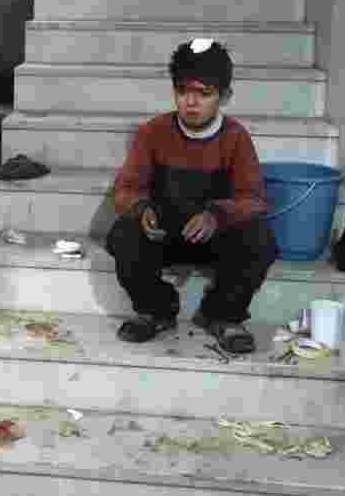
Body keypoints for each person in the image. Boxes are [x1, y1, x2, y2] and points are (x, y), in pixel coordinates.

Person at [107, 38, 279, 353]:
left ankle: (223, 316)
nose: (191, 102)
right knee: (122, 235)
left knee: (260, 239)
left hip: (216, 238)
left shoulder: (236, 138)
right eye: (183, 92)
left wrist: (218, 214)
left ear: (225, 96)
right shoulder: (152, 133)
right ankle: (155, 310)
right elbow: (125, 190)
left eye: (204, 94)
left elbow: (254, 199)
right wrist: (142, 209)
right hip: (164, 234)